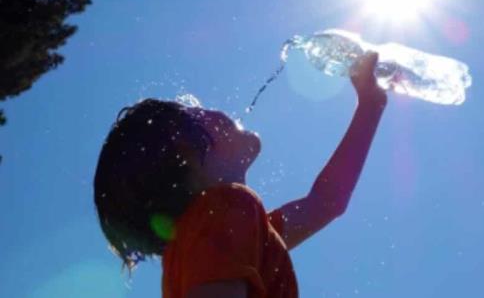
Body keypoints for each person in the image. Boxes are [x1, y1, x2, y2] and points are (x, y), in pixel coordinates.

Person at [93, 52, 387, 297]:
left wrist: (371, 105)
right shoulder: (224, 209)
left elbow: (326, 202)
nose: (209, 109)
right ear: (186, 155)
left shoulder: (222, 236)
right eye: (194, 111)